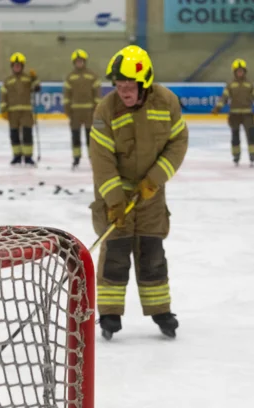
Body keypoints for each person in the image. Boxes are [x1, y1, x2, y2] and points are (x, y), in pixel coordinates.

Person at [88, 45, 188, 341]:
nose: (124, 92)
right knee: (115, 253)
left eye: (129, 87)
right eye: (119, 86)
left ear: (144, 84)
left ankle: (161, 311)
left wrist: (154, 180)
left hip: (151, 196)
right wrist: (115, 201)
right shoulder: (105, 110)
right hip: (114, 195)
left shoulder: (166, 102)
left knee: (152, 253)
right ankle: (109, 314)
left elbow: (178, 142)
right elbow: (101, 160)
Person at [212, 59, 254, 167]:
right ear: (234, 72)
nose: (240, 73)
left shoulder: (250, 84)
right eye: (238, 71)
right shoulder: (230, 85)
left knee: (251, 135)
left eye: (241, 71)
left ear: (245, 72)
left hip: (248, 114)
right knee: (235, 136)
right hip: (234, 115)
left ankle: (253, 155)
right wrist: (218, 108)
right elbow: (224, 97)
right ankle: (236, 155)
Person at [0, 52, 41, 167]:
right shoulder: (7, 81)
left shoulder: (28, 78)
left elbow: (37, 88)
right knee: (14, 134)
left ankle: (28, 157)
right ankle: (17, 156)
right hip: (12, 112)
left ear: (22, 66)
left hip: (26, 112)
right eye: (15, 65)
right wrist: (4, 109)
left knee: (27, 133)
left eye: (19, 65)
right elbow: (3, 95)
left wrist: (35, 78)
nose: (17, 67)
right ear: (12, 66)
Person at [63, 49, 102, 168]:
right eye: (77, 61)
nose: (79, 63)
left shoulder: (92, 76)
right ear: (74, 62)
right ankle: (76, 158)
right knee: (75, 136)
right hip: (75, 113)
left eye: (81, 61)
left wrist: (97, 110)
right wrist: (68, 111)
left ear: (85, 61)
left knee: (90, 137)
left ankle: (92, 158)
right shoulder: (70, 77)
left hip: (90, 112)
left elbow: (97, 94)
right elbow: (67, 96)